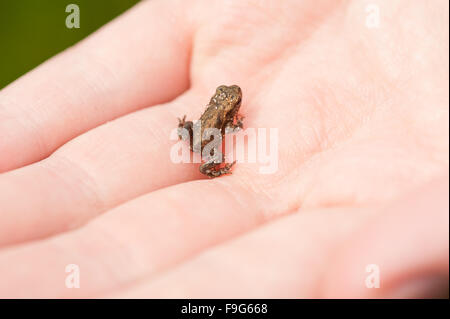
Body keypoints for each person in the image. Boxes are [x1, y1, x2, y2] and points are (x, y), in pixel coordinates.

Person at [0, 0, 447, 298]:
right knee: (209, 147)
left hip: (198, 128)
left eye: (233, 101)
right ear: (230, 104)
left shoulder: (222, 109)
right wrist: (221, 157)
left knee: (198, 134)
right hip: (207, 139)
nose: (236, 103)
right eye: (233, 101)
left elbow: (221, 119)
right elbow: (229, 125)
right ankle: (214, 169)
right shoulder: (228, 115)